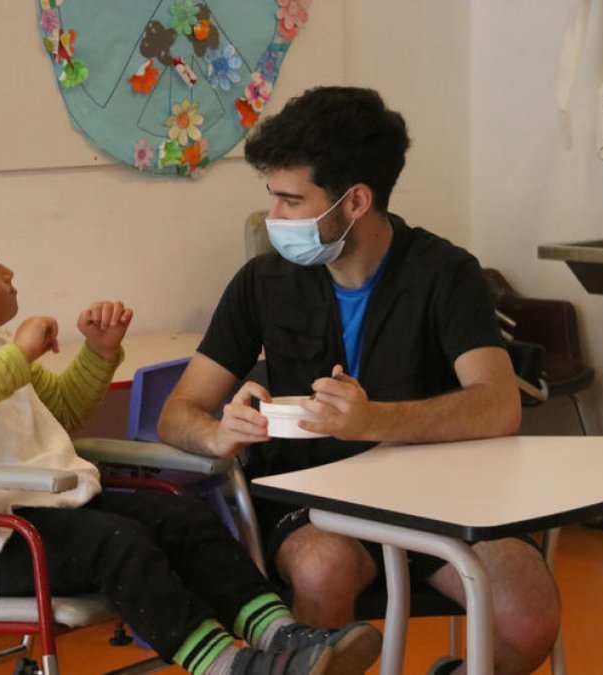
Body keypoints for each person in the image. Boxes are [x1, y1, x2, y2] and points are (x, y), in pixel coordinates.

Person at [157, 87, 561, 675]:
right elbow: (179, 411)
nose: (275, 219)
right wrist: (217, 432)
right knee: (324, 570)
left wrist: (376, 421)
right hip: (312, 505)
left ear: (355, 202)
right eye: (272, 198)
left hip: (437, 499)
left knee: (530, 617)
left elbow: (499, 405)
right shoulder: (261, 283)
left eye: (292, 201)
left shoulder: (446, 275)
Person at [0, 215, 383, 675]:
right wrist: (22, 352)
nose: (8, 273)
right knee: (119, 543)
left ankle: (281, 633)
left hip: (47, 512)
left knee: (185, 518)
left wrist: (100, 352)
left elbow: (64, 411)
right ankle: (231, 666)